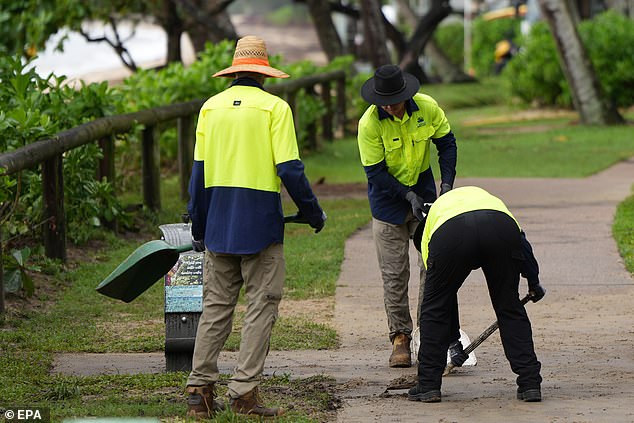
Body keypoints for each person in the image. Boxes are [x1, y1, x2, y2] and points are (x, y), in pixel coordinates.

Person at [184, 35, 327, 418]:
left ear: (235, 70)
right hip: (261, 224)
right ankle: (244, 392)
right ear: (263, 72)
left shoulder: (210, 108)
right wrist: (312, 212)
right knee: (261, 306)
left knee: (215, 307)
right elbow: (290, 170)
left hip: (218, 221)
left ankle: (199, 390)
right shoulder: (274, 108)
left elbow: (197, 176)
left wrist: (198, 223)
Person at [357, 64, 458, 368]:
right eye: (383, 101)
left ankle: (429, 333)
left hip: (425, 195)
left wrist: (446, 185)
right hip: (388, 202)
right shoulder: (369, 124)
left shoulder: (426, 107)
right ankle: (400, 337)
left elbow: (447, 144)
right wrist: (407, 196)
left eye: (394, 100)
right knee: (394, 273)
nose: (388, 106)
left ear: (406, 94)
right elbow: (374, 172)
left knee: (432, 264)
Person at [409, 185, 545, 403]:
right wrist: (534, 281)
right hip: (500, 228)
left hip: (451, 235)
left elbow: (441, 303)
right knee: (509, 306)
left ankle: (428, 385)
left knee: (433, 310)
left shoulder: (429, 234)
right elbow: (522, 243)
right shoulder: (487, 199)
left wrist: (452, 338)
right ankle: (530, 384)